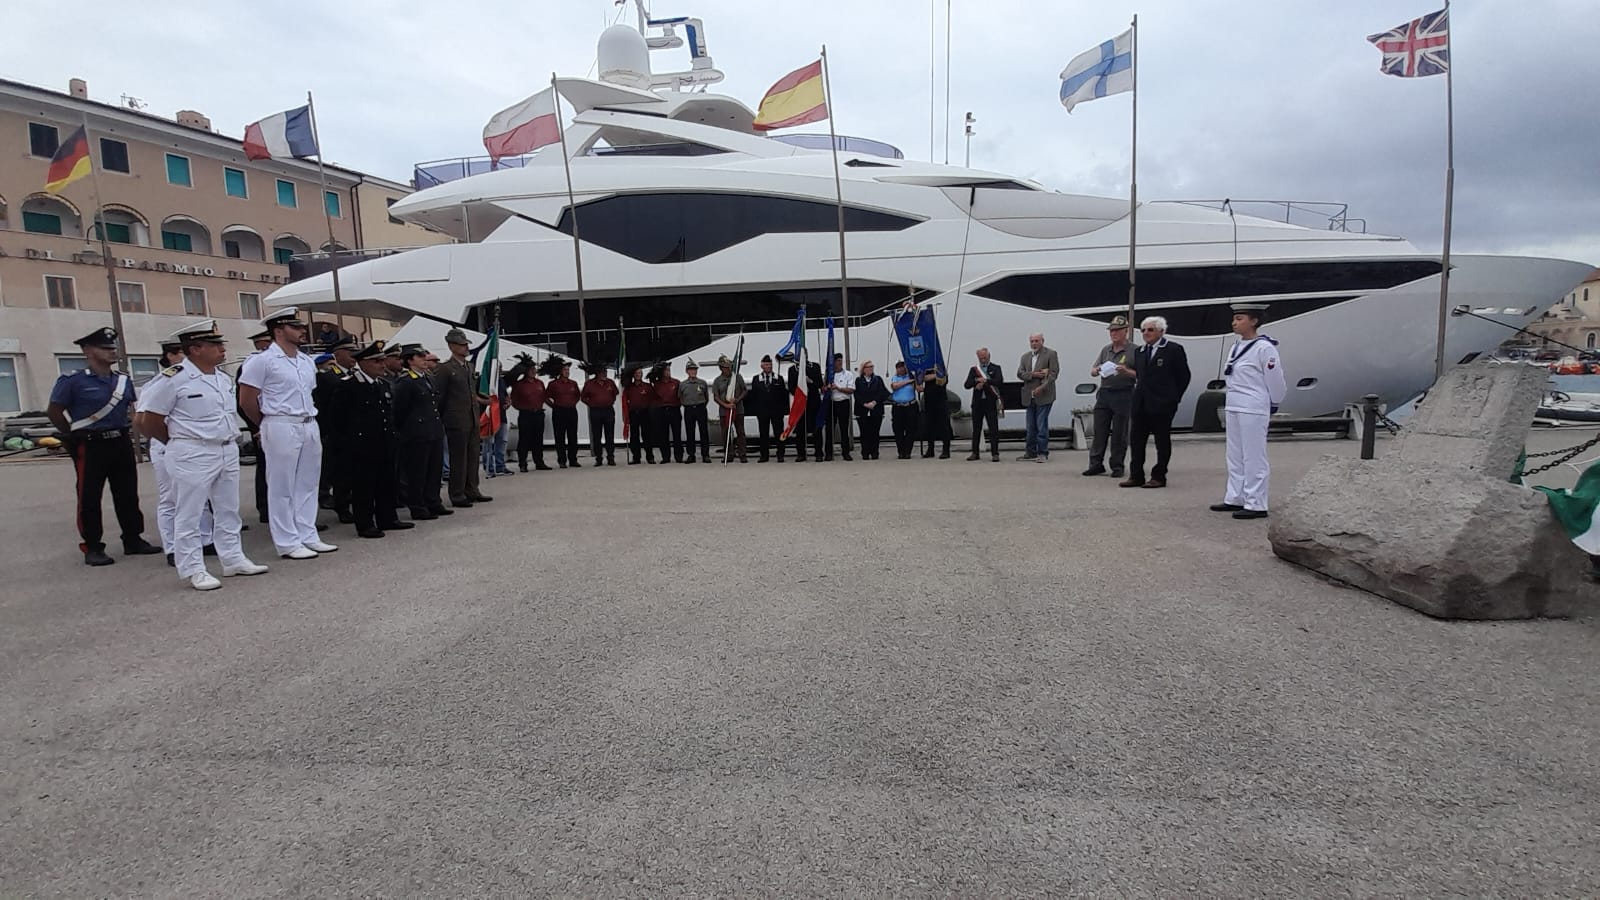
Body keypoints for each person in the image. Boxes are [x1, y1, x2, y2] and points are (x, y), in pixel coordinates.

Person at [134, 320, 267, 590]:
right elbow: (148, 421)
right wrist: (176, 442)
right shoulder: (173, 378)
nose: (222, 349)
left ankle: (233, 558)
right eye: (214, 345)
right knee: (190, 512)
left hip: (225, 447)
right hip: (193, 450)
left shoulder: (221, 378)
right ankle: (193, 568)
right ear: (195, 349)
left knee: (228, 509)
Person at [47, 326, 162, 566]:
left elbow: (130, 410)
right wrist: (71, 434)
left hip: (120, 441)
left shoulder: (122, 380)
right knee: (89, 496)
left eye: (113, 347)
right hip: (90, 444)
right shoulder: (73, 381)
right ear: (88, 351)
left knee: (127, 493)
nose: (112, 352)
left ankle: (133, 539)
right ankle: (92, 546)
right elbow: (55, 411)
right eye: (105, 348)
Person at [239, 308, 338, 559]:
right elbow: (247, 399)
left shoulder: (305, 361)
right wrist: (263, 424)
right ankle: (287, 541)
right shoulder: (262, 361)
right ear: (279, 331)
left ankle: (307, 534)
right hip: (280, 421)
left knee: (308, 483)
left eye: (301, 326)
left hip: (308, 421)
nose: (302, 331)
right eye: (295, 327)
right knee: (281, 486)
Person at [140, 339, 214, 566]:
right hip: (167, 444)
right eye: (180, 352)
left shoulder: (203, 379)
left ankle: (205, 539)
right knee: (171, 498)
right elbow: (144, 419)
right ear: (170, 356)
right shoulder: (161, 382)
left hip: (197, 445)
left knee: (200, 494)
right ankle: (173, 547)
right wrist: (170, 442)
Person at [1212, 303, 1287, 519]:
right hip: (1234, 403)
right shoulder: (1236, 346)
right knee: (1235, 455)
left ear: (1254, 321)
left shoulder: (1264, 348)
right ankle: (1235, 497)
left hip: (1253, 406)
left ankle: (1256, 503)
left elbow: (1275, 379)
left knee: (1254, 456)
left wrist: (1274, 401)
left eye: (1240, 319)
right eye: (1234, 319)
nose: (1234, 323)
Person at [339, 342, 415, 538]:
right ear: (363, 363)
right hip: (362, 446)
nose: (382, 365)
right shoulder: (349, 386)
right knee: (364, 486)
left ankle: (387, 518)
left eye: (382, 361)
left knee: (386, 483)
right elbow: (338, 419)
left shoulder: (382, 384)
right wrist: (349, 445)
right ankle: (365, 523)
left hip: (385, 442)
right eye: (377, 361)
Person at [1122, 316, 1192, 489]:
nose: (1146, 333)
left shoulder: (1173, 349)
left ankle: (1159, 476)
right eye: (1143, 330)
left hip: (1162, 404)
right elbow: (1141, 376)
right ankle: (1136, 475)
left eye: (1150, 330)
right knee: (1136, 440)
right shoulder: (1140, 352)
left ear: (1161, 331)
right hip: (1141, 403)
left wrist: (1173, 398)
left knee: (1162, 441)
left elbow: (1183, 376)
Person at [393, 345, 452, 520]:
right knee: (418, 472)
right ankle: (418, 506)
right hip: (416, 433)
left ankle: (433, 501)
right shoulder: (406, 382)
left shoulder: (428, 378)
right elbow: (399, 411)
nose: (424, 359)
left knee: (434, 470)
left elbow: (436, 404)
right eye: (420, 356)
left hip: (433, 430)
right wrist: (406, 431)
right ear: (410, 360)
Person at [435, 328, 492, 506]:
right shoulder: (445, 369)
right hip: (456, 419)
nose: (466, 347)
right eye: (461, 345)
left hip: (472, 417)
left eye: (466, 344)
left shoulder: (469, 366)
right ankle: (457, 493)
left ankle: (472, 489)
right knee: (459, 458)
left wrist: (482, 401)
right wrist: (443, 418)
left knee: (473, 456)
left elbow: (472, 392)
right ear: (451, 346)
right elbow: (440, 396)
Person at [1084, 317, 1136, 478]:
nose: (1113, 334)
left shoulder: (1134, 350)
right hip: (1105, 393)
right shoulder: (1106, 349)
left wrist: (1126, 371)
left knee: (1120, 433)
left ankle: (1117, 466)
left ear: (1126, 331)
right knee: (1099, 431)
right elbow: (1093, 370)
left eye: (1117, 331)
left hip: (1124, 393)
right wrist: (1097, 370)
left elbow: (1141, 374)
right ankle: (1095, 464)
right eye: (1112, 331)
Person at [315, 335, 356, 522]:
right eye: (349, 352)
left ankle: (352, 501)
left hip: (354, 431)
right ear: (337, 354)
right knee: (339, 472)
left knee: (352, 471)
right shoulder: (327, 377)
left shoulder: (355, 374)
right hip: (336, 433)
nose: (353, 355)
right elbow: (321, 407)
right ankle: (342, 506)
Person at [241, 329, 272, 523]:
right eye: (266, 343)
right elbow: (244, 402)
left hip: (282, 424)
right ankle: (265, 509)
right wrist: (257, 426)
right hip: (262, 425)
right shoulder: (252, 365)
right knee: (265, 469)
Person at [1016, 332, 1059, 463]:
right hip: (1029, 396)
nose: (1034, 343)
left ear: (1042, 341)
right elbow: (1020, 373)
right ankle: (1030, 452)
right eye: (1032, 341)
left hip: (1045, 396)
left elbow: (1053, 374)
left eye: (1036, 341)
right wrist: (1033, 375)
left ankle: (1042, 453)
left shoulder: (1051, 354)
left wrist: (1042, 387)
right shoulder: (1025, 357)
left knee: (1041, 425)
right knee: (1030, 426)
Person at [507, 354, 551, 472]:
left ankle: (539, 462)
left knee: (538, 439)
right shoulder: (519, 385)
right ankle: (522, 463)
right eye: (531, 369)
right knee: (524, 439)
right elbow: (514, 400)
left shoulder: (539, 383)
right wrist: (523, 408)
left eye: (534, 369)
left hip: (538, 414)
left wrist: (553, 406)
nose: (533, 371)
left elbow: (544, 397)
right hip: (526, 414)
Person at [964, 348, 1004, 462]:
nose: (982, 360)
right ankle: (975, 453)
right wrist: (976, 382)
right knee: (976, 429)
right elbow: (967, 385)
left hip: (990, 402)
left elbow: (999, 381)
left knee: (993, 429)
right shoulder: (974, 370)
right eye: (980, 358)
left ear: (989, 356)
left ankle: (995, 453)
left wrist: (986, 381)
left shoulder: (996, 368)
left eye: (984, 357)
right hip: (977, 403)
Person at [747, 354, 789, 462]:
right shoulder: (756, 379)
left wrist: (784, 410)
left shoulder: (778, 378)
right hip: (762, 411)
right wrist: (755, 410)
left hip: (776, 411)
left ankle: (780, 454)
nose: (768, 367)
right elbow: (754, 397)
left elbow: (784, 396)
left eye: (770, 364)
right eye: (766, 365)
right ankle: (764, 455)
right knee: (763, 434)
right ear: (762, 366)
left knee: (779, 433)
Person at [542, 356, 581, 469]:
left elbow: (577, 395)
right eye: (565, 370)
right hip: (559, 411)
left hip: (571, 411)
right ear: (560, 371)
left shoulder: (573, 383)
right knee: (560, 436)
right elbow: (546, 396)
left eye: (568, 370)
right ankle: (562, 460)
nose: (567, 372)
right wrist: (553, 406)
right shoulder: (553, 384)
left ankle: (573, 459)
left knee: (573, 435)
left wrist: (573, 403)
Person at [580, 362, 620, 466]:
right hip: (596, 411)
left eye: (605, 372)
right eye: (603, 372)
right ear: (597, 373)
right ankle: (598, 458)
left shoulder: (610, 382)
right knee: (596, 436)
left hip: (608, 411)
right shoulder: (589, 384)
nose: (605, 374)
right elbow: (583, 397)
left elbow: (615, 393)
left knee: (610, 435)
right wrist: (591, 404)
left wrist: (610, 401)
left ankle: (611, 457)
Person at [711, 355, 748, 463]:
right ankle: (728, 454)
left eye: (729, 367)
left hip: (738, 408)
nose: (728, 369)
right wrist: (725, 405)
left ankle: (742, 454)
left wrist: (737, 400)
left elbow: (745, 391)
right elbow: (716, 397)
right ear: (721, 368)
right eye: (725, 367)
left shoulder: (737, 377)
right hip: (724, 410)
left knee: (740, 432)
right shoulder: (717, 381)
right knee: (725, 433)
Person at [852, 360, 889, 460]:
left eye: (872, 366)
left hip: (876, 409)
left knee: (875, 432)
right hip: (862, 410)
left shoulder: (878, 379)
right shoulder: (858, 380)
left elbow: (882, 392)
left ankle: (874, 452)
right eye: (868, 367)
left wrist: (874, 402)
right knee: (864, 432)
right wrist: (864, 404)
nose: (871, 369)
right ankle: (865, 452)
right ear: (863, 369)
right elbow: (857, 394)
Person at [621, 363, 656, 465]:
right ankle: (636, 457)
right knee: (634, 436)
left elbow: (653, 399)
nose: (638, 375)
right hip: (633, 414)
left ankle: (650, 457)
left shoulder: (647, 386)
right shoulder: (629, 387)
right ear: (633, 375)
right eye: (636, 373)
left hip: (645, 413)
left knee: (647, 436)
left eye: (640, 373)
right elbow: (625, 400)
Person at [650, 361, 683, 463]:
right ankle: (665, 456)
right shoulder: (657, 384)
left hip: (674, 410)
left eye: (669, 370)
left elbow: (681, 396)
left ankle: (679, 456)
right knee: (663, 435)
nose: (668, 372)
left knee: (677, 434)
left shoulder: (676, 383)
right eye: (666, 370)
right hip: (661, 411)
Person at [679, 360, 712, 463]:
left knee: (704, 432)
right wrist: (687, 405)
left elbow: (706, 397)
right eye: (691, 370)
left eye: (694, 369)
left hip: (700, 408)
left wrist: (701, 405)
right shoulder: (683, 384)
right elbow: (680, 397)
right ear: (687, 371)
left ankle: (705, 455)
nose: (693, 371)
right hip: (689, 409)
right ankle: (691, 454)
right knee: (690, 432)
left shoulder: (702, 383)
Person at [888, 360, 920, 460]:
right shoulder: (895, 378)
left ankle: (908, 451)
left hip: (910, 406)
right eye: (898, 368)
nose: (900, 370)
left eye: (902, 368)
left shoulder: (911, 377)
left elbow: (918, 387)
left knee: (911, 429)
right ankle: (901, 451)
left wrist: (915, 379)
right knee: (898, 430)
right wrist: (907, 382)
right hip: (898, 407)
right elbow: (895, 386)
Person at [920, 366, 953, 459]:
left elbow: (942, 379)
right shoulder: (926, 369)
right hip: (928, 401)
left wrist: (936, 375)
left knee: (943, 426)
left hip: (941, 401)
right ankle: (930, 449)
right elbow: (922, 378)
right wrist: (935, 375)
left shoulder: (941, 368)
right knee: (929, 426)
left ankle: (946, 450)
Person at [827, 353, 855, 461]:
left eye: (840, 360)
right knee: (830, 429)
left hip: (843, 402)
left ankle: (846, 453)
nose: (839, 363)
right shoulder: (829, 374)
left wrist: (838, 388)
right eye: (837, 361)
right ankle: (829, 453)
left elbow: (851, 390)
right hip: (831, 403)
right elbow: (823, 388)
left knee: (844, 428)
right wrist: (827, 388)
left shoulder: (848, 374)